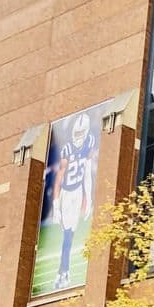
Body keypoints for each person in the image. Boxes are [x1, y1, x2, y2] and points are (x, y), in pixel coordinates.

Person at [52, 113, 95, 289]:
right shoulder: (67, 149)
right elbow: (60, 177)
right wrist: (55, 204)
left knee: (69, 234)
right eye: (76, 133)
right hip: (66, 194)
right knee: (67, 234)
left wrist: (89, 197)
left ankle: (64, 273)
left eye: (80, 133)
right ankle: (63, 272)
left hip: (77, 192)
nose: (78, 137)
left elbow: (87, 172)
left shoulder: (89, 143)